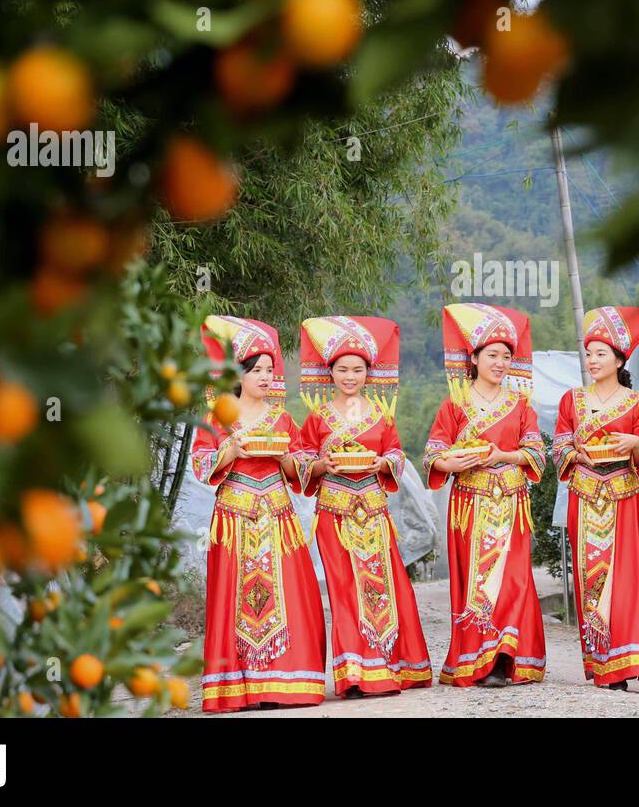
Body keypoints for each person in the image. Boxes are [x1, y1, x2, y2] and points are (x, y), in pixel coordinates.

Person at [291, 316, 432, 696]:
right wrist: (322, 465)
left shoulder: (381, 415)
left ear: (369, 373)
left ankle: (387, 667)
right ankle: (353, 673)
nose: (350, 376)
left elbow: (398, 455)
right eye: (342, 369)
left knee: (381, 586)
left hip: (373, 512)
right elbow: (300, 459)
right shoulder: (317, 417)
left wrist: (382, 463)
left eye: (357, 370)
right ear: (330, 372)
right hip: (333, 515)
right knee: (343, 589)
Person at [191, 316, 327, 711]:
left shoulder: (282, 418)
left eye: (271, 370)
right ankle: (239, 687)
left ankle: (285, 684)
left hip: (277, 516)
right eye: (258, 370)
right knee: (234, 596)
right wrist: (230, 451)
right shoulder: (218, 415)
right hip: (234, 516)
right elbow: (202, 465)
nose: (267, 377)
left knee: (291, 592)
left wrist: (287, 456)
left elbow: (299, 467)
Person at [425, 303, 547, 687]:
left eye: (506, 356)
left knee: (513, 580)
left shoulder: (520, 406)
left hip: (511, 503)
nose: (500, 362)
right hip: (470, 506)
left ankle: (503, 657)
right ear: (473, 358)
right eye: (492, 355)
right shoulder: (454, 405)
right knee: (476, 583)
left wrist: (502, 455)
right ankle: (478, 656)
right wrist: (453, 463)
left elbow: (537, 453)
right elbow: (432, 454)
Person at [553, 305, 639, 691]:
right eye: (588, 354)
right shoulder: (571, 400)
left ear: (620, 359)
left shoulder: (638, 403)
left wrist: (636, 443)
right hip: (585, 497)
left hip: (624, 498)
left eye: (601, 353)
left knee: (628, 578)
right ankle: (605, 665)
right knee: (592, 577)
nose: (592, 360)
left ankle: (634, 659)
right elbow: (559, 446)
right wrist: (576, 454)